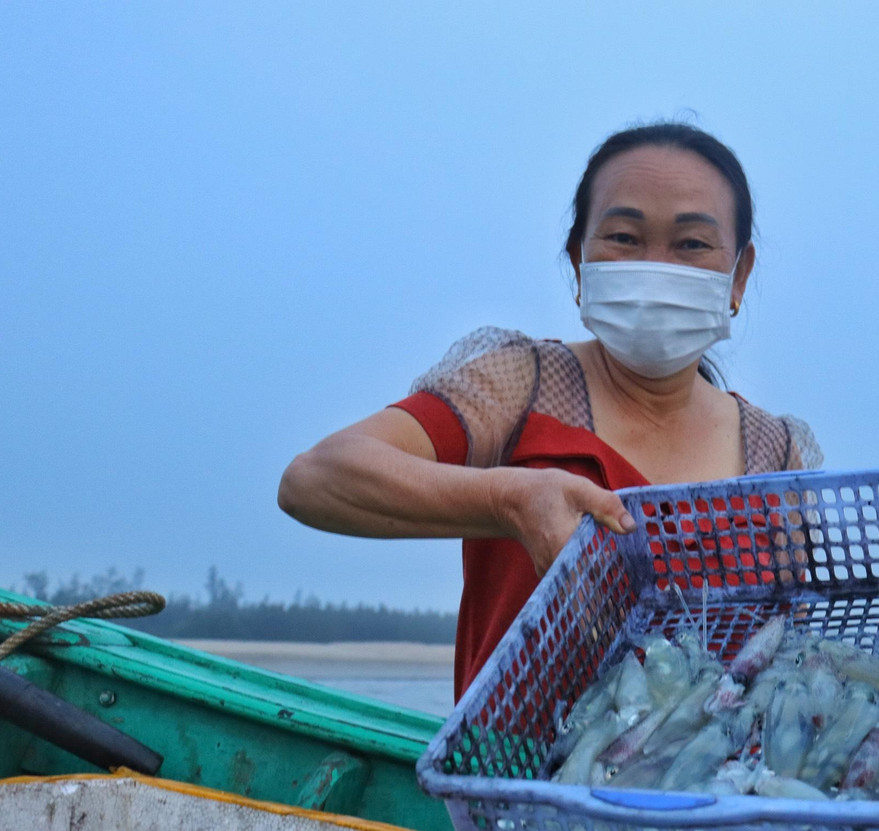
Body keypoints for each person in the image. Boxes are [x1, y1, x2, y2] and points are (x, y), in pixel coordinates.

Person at [278, 123, 822, 700]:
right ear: (578, 261)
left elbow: (787, 652)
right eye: (624, 237)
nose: (656, 267)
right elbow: (316, 479)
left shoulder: (776, 451)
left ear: (739, 274)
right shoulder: (523, 383)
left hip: (719, 782)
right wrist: (510, 500)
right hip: (516, 781)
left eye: (691, 244)